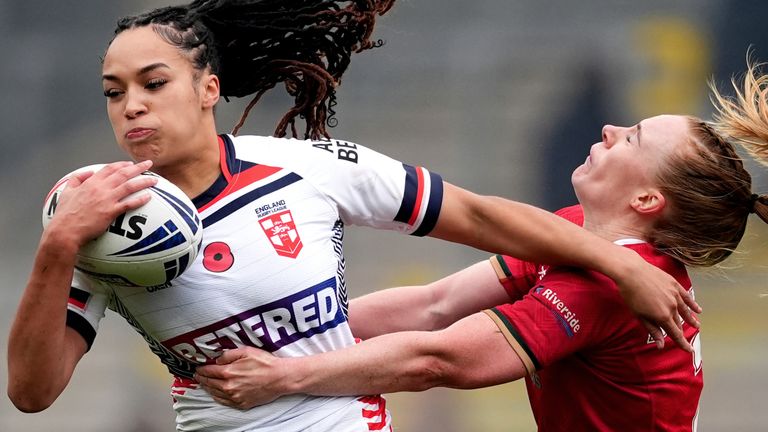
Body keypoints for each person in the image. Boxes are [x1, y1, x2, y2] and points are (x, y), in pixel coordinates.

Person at [6, 1, 698, 431]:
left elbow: (480, 217)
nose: (132, 105)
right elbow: (32, 395)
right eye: (113, 91)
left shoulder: (303, 167)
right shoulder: (97, 223)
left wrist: (613, 262)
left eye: (153, 83)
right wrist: (57, 246)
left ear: (208, 88)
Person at [190, 62, 768, 431]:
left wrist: (285, 376)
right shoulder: (583, 239)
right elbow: (435, 305)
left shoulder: (606, 289)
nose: (612, 130)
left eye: (634, 137)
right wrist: (276, 336)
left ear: (646, 201)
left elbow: (442, 359)